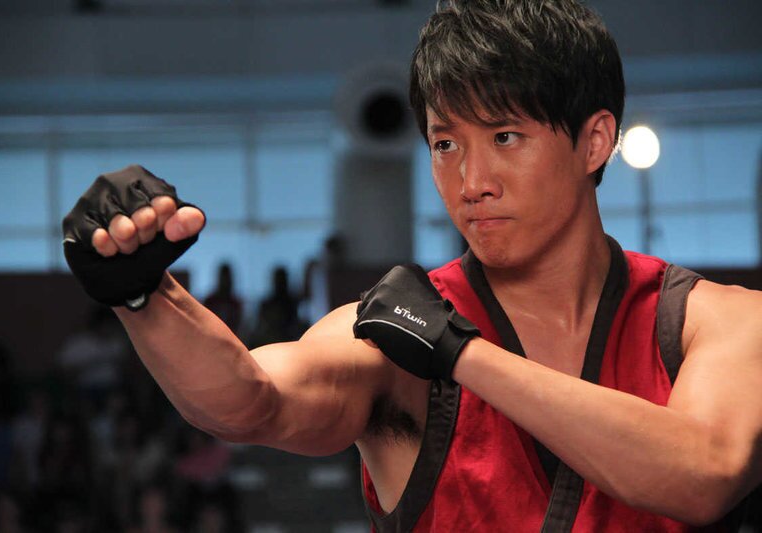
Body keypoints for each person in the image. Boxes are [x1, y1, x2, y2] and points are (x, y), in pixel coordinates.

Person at [60, 1, 762, 531]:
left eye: (505, 136)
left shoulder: (718, 322)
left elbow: (704, 472)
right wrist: (144, 296)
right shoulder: (395, 335)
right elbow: (252, 399)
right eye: (446, 144)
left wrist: (462, 354)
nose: (472, 182)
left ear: (595, 141)